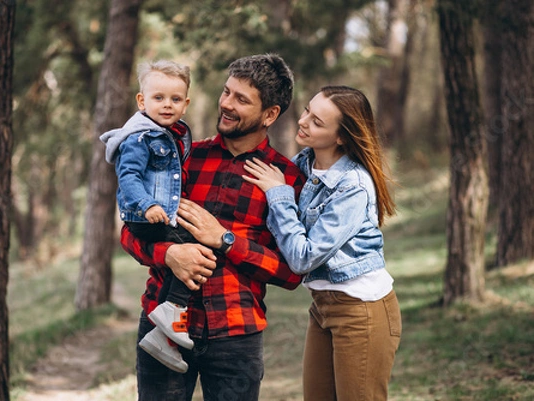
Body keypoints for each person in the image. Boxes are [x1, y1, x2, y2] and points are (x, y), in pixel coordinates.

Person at [120, 54, 306, 401]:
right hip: (160, 323)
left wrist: (224, 240)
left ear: (270, 114)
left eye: (241, 99)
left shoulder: (287, 180)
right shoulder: (179, 158)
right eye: (226, 92)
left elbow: (292, 272)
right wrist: (170, 253)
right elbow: (130, 231)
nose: (227, 104)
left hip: (236, 335)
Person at [243, 85, 402, 401]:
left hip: (361, 310)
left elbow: (303, 257)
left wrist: (278, 194)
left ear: (341, 136)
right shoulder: (302, 166)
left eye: (317, 121)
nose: (303, 122)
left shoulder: (353, 186)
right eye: (307, 111)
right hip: (322, 306)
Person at [100, 60, 199, 373]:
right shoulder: (140, 137)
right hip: (147, 217)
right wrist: (147, 205)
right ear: (142, 101)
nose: (166, 105)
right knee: (195, 248)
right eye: (158, 98)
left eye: (174, 99)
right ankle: (171, 312)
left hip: (157, 216)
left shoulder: (174, 133)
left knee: (188, 257)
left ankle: (165, 334)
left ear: (185, 103)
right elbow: (127, 175)